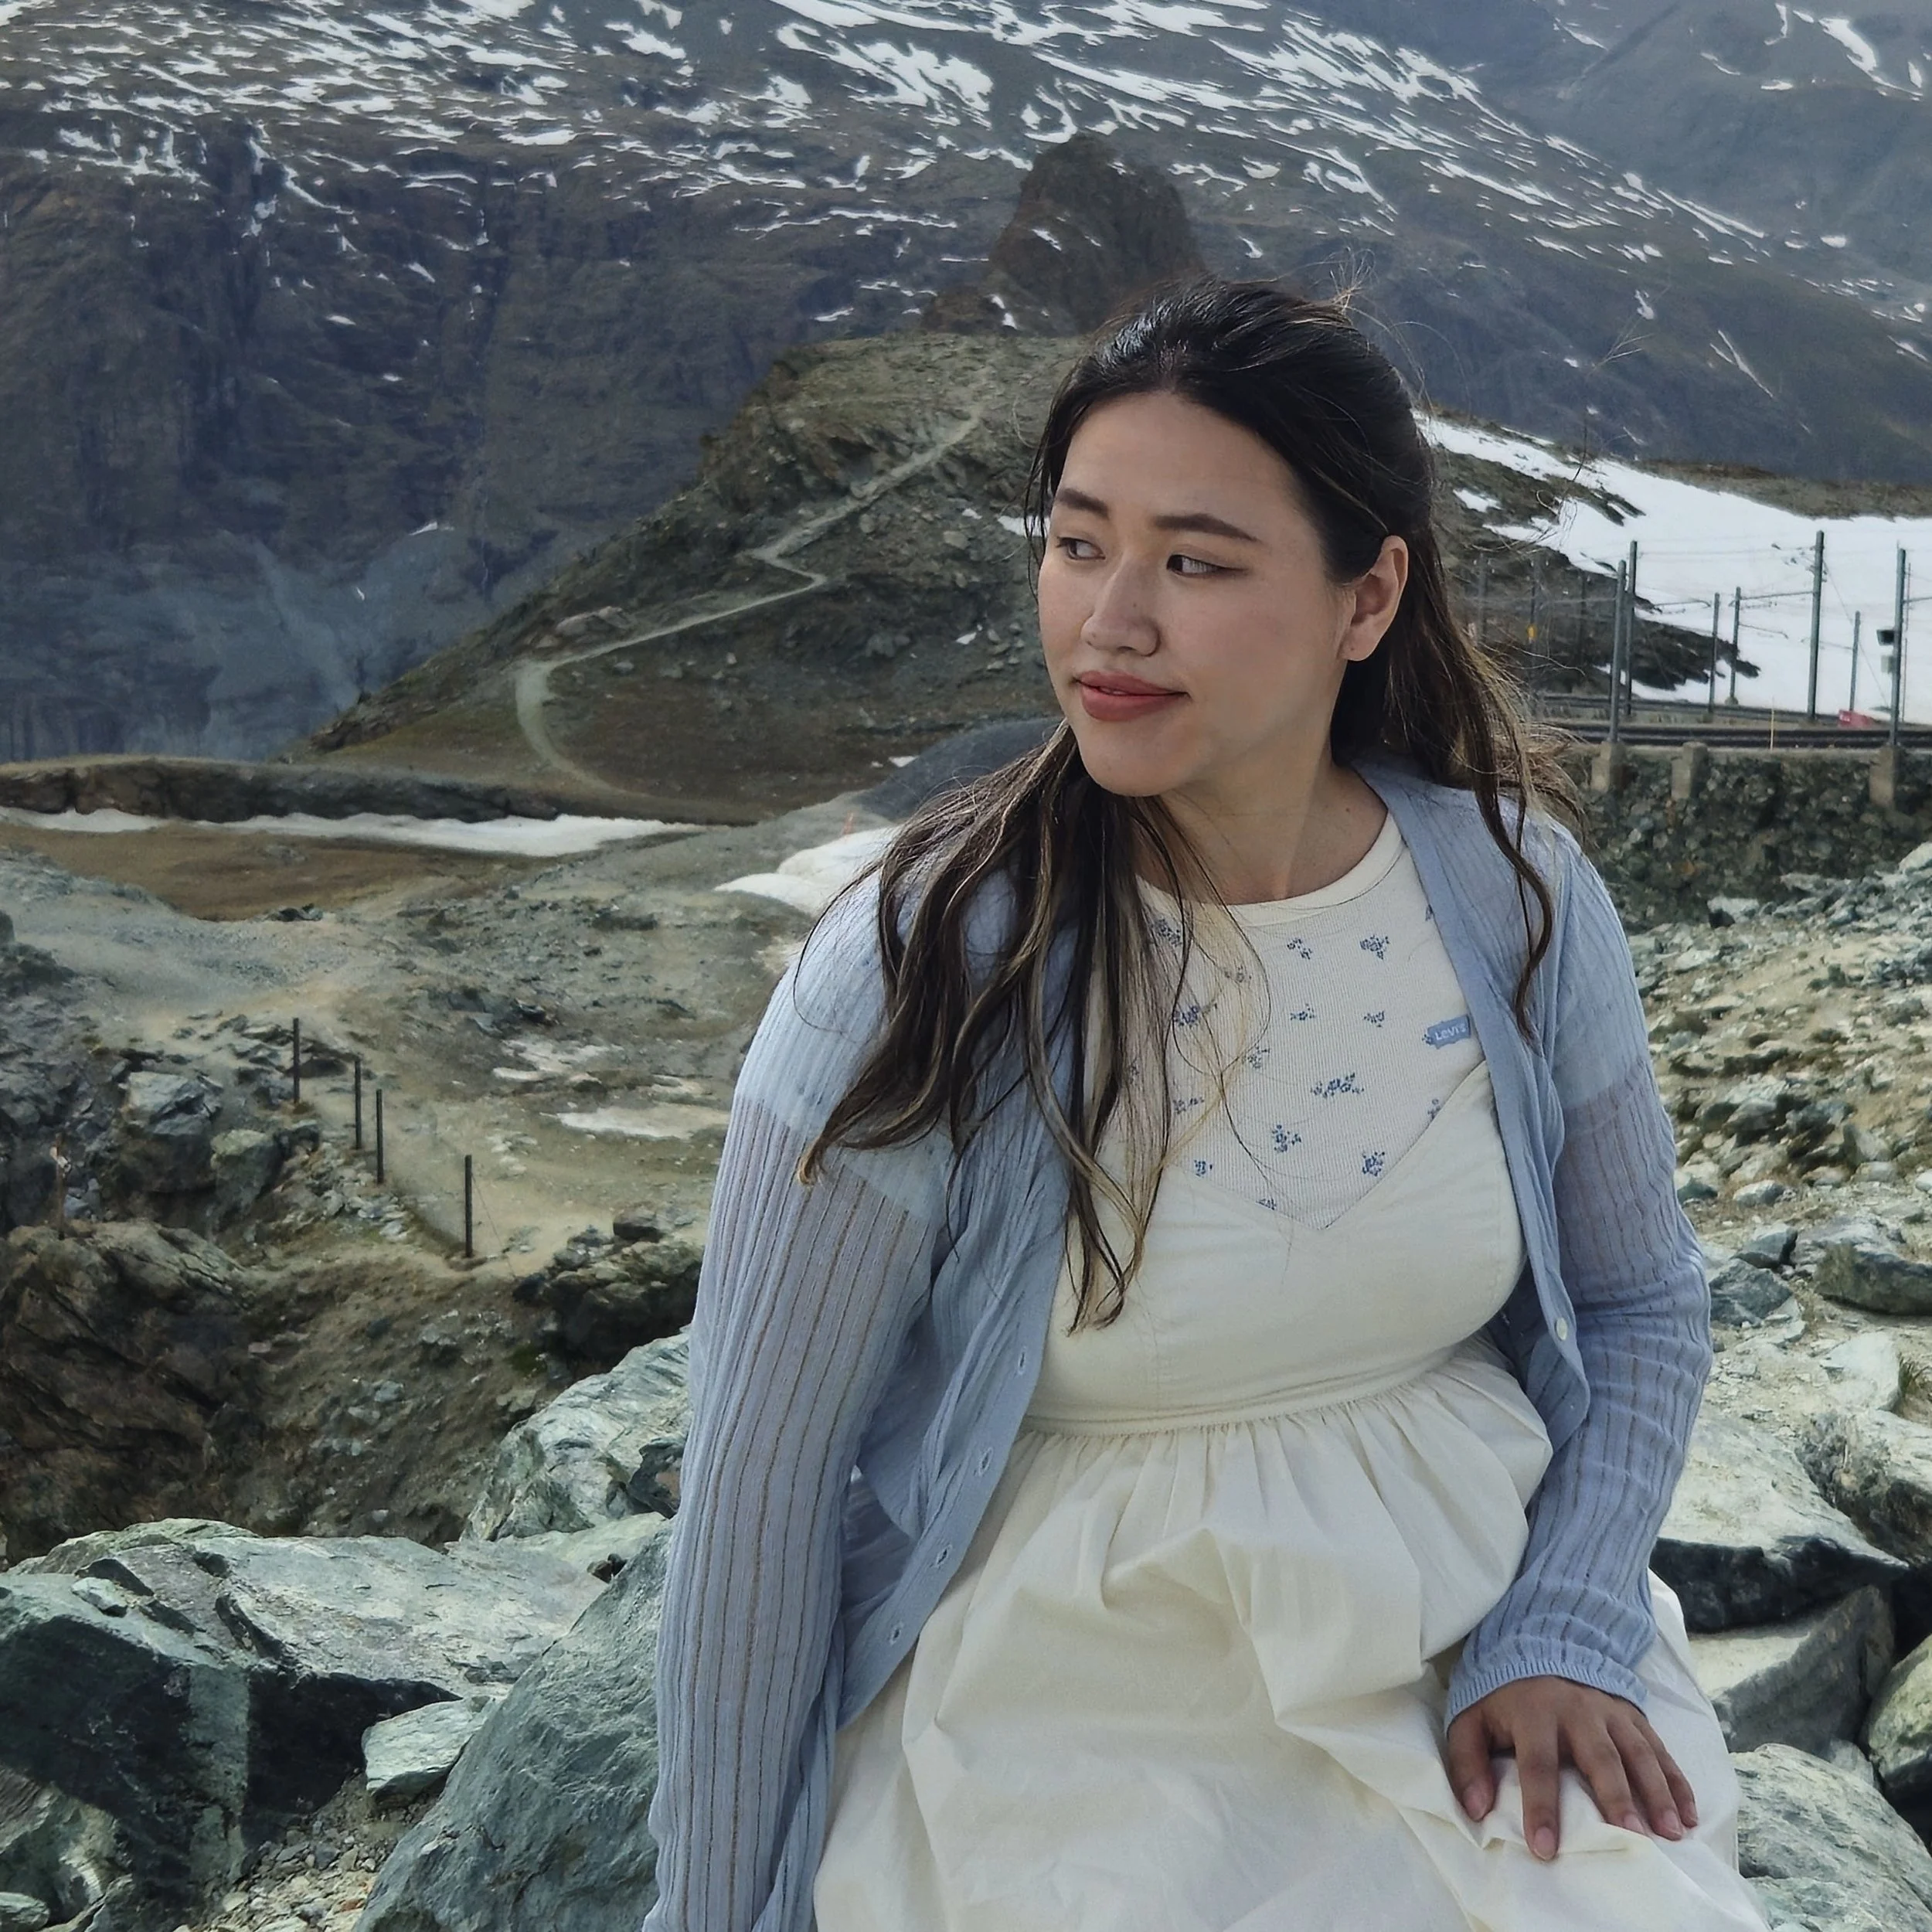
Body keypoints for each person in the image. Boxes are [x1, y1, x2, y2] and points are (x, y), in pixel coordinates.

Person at [641, 278, 1772, 1931]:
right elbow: (755, 1491)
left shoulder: (1511, 890)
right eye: (1077, 540)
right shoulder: (913, 969)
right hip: (1065, 1706)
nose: (1109, 619)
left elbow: (1636, 1300)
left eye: (1194, 560)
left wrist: (1566, 1618)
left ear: (1365, 594)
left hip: (1459, 1636)